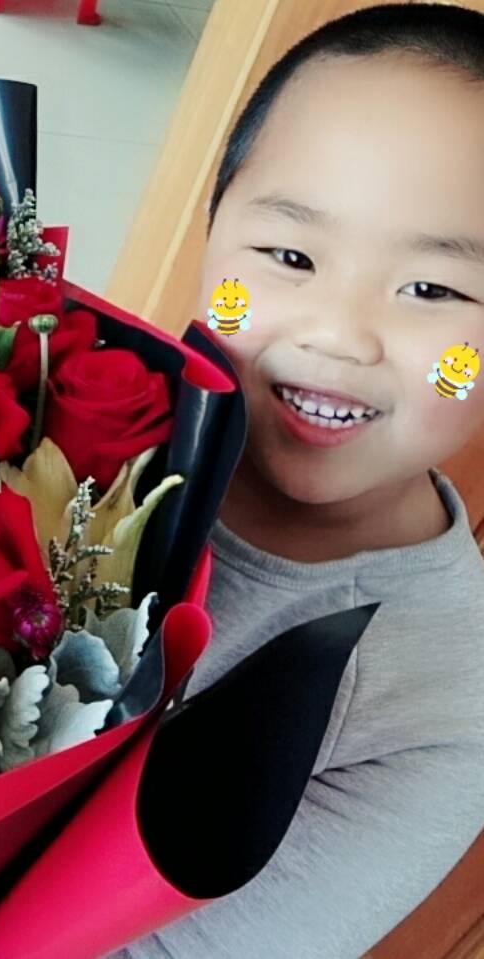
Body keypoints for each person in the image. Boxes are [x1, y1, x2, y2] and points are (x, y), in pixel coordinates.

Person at [113, 4, 484, 958]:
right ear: (211, 235)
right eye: (290, 257)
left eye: (433, 290)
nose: (338, 335)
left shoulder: (441, 706)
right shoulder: (74, 410)